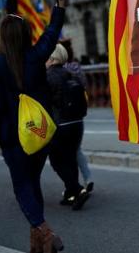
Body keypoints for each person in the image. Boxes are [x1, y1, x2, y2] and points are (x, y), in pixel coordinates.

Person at [0, 0, 72, 252]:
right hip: (39, 134)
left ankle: (45, 234)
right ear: (24, 36)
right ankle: (37, 243)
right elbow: (53, 29)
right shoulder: (35, 56)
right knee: (32, 182)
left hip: (13, 139)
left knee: (22, 187)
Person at [46, 44, 90, 210]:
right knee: (70, 158)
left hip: (60, 124)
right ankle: (71, 194)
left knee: (56, 160)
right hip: (77, 122)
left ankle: (77, 190)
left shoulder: (48, 76)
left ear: (51, 58)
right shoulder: (72, 73)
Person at [60, 39, 93, 192]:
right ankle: (88, 177)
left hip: (63, 116)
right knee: (77, 148)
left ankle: (74, 185)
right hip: (78, 113)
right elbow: (85, 85)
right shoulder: (76, 67)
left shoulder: (57, 71)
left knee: (67, 152)